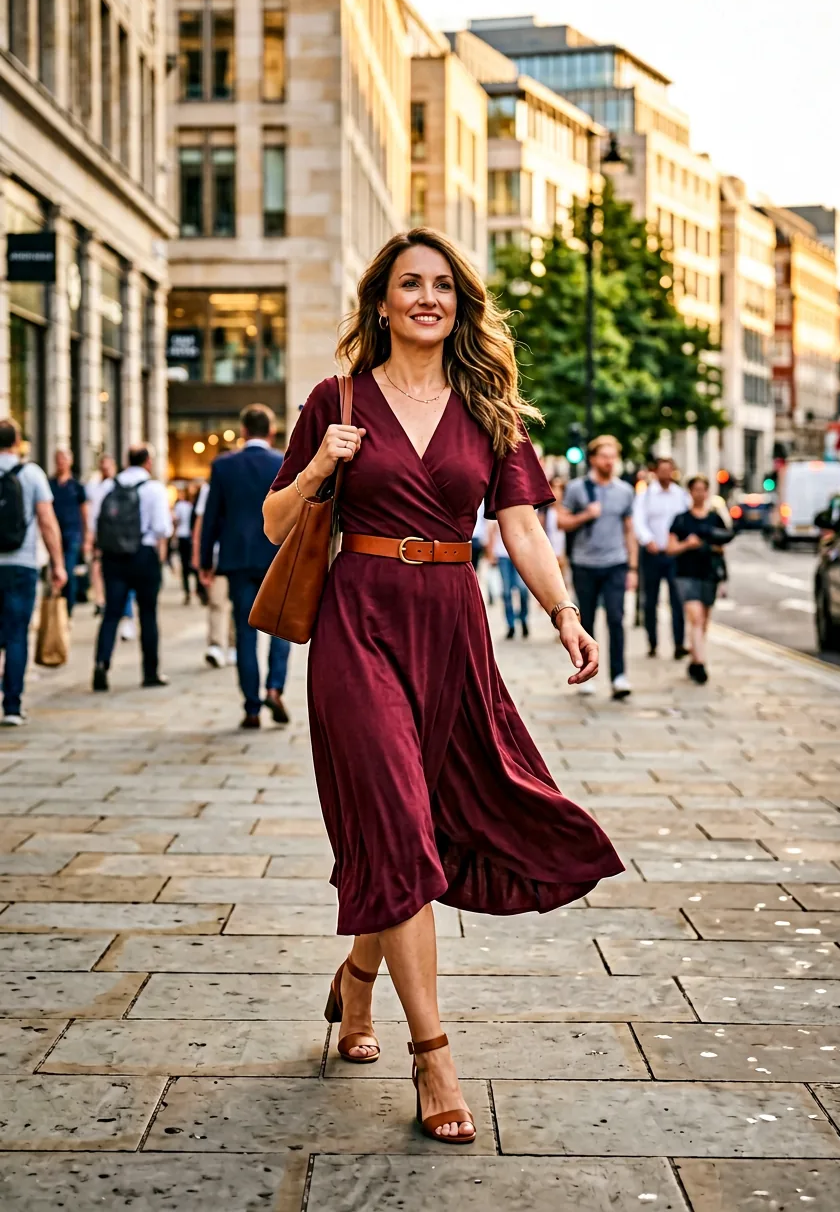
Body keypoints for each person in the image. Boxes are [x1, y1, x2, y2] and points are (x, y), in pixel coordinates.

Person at [262, 228, 622, 1145]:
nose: (428, 298)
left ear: (460, 304)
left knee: (416, 830)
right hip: (359, 622)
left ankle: (357, 979)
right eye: (409, 284)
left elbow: (524, 529)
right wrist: (318, 464)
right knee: (396, 820)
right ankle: (436, 1056)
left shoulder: (489, 409)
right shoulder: (333, 399)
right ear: (380, 301)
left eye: (443, 287)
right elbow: (273, 523)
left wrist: (564, 613)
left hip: (452, 628)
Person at [199, 406, 290, 729]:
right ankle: (274, 687)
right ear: (270, 431)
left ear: (242, 431)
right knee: (281, 627)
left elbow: (211, 517)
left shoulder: (223, 466)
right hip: (277, 559)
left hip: (237, 560)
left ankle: (251, 707)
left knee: (245, 631)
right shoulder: (283, 462)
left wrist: (205, 562)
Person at [560, 436, 638, 699]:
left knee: (616, 619)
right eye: (604, 456)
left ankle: (619, 676)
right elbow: (562, 522)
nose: (609, 461)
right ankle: (586, 674)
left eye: (613, 456)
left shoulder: (625, 491)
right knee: (587, 621)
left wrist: (633, 568)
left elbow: (629, 530)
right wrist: (586, 515)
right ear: (593, 459)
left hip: (615, 563)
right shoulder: (577, 488)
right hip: (585, 564)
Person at [0, 418, 67, 724]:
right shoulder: (32, 474)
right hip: (22, 563)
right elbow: (47, 522)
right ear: (17, 442)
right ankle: (12, 706)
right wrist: (58, 564)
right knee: (16, 634)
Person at [91, 444, 172, 691]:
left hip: (113, 556)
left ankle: (101, 665)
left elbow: (96, 522)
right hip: (144, 554)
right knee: (148, 614)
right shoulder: (155, 489)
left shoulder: (107, 486)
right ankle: (150, 672)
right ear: (148, 462)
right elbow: (162, 528)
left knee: (111, 613)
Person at [667, 474, 734, 685]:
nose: (699, 493)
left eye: (703, 489)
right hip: (686, 573)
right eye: (695, 489)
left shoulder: (715, 518)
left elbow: (723, 545)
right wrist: (687, 544)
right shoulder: (681, 519)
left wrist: (712, 546)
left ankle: (695, 659)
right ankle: (701, 663)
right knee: (695, 618)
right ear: (690, 492)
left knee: (704, 621)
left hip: (709, 574)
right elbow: (670, 548)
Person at [632, 456, 689, 660]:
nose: (666, 474)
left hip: (675, 555)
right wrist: (648, 540)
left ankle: (679, 643)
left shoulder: (681, 495)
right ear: (656, 472)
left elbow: (686, 521)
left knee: (678, 600)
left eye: (669, 470)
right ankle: (653, 642)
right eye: (662, 470)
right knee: (650, 600)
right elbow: (638, 521)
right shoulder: (646, 495)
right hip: (653, 554)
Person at [192, 476, 236, 669]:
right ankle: (216, 645)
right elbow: (202, 524)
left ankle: (234, 645)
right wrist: (201, 557)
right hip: (220, 555)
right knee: (217, 601)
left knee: (236, 603)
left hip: (233, 555)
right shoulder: (208, 490)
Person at [49, 449, 88, 617]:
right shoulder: (50, 484)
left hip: (72, 534)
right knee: (54, 572)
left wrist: (87, 537)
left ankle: (68, 610)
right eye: (58, 459)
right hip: (53, 534)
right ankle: (56, 610)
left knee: (68, 571)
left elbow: (85, 512)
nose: (61, 462)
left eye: (64, 459)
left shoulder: (77, 486)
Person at [85, 454, 116, 615]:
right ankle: (99, 599)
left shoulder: (116, 486)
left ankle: (107, 597)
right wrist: (89, 535)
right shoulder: (93, 486)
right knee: (96, 566)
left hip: (113, 533)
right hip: (98, 531)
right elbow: (90, 512)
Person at [487, 519, 529, 639]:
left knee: (522, 589)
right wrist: (490, 553)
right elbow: (492, 530)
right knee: (506, 592)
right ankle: (510, 625)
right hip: (502, 556)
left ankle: (523, 619)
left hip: (520, 554)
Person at [173, 488, 201, 605]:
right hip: (192, 537)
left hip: (183, 536)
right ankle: (199, 590)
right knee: (195, 566)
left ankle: (188, 592)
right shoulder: (195, 506)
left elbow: (175, 520)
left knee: (185, 566)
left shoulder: (180, 506)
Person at [544, 475, 567, 576]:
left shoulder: (567, 510)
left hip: (564, 555)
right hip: (548, 554)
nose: (557, 492)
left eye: (560, 489)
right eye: (554, 488)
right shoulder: (544, 512)